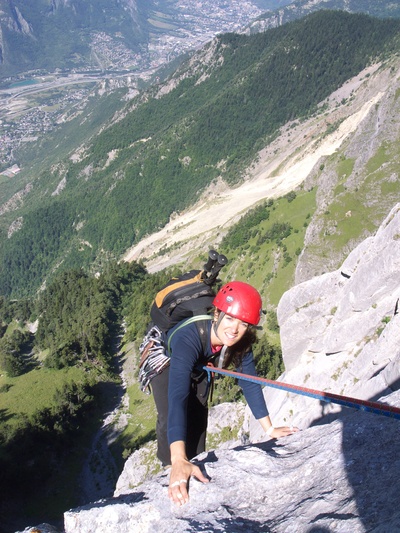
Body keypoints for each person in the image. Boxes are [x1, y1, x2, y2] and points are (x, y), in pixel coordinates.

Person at [150, 281, 297, 506]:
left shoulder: (241, 342)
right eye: (229, 318)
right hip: (167, 358)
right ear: (217, 314)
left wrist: (269, 429)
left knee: (198, 414)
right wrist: (179, 459)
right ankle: (171, 466)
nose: (235, 330)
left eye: (243, 323)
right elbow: (177, 397)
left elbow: (249, 382)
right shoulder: (188, 338)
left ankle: (194, 459)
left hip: (200, 360)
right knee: (170, 409)